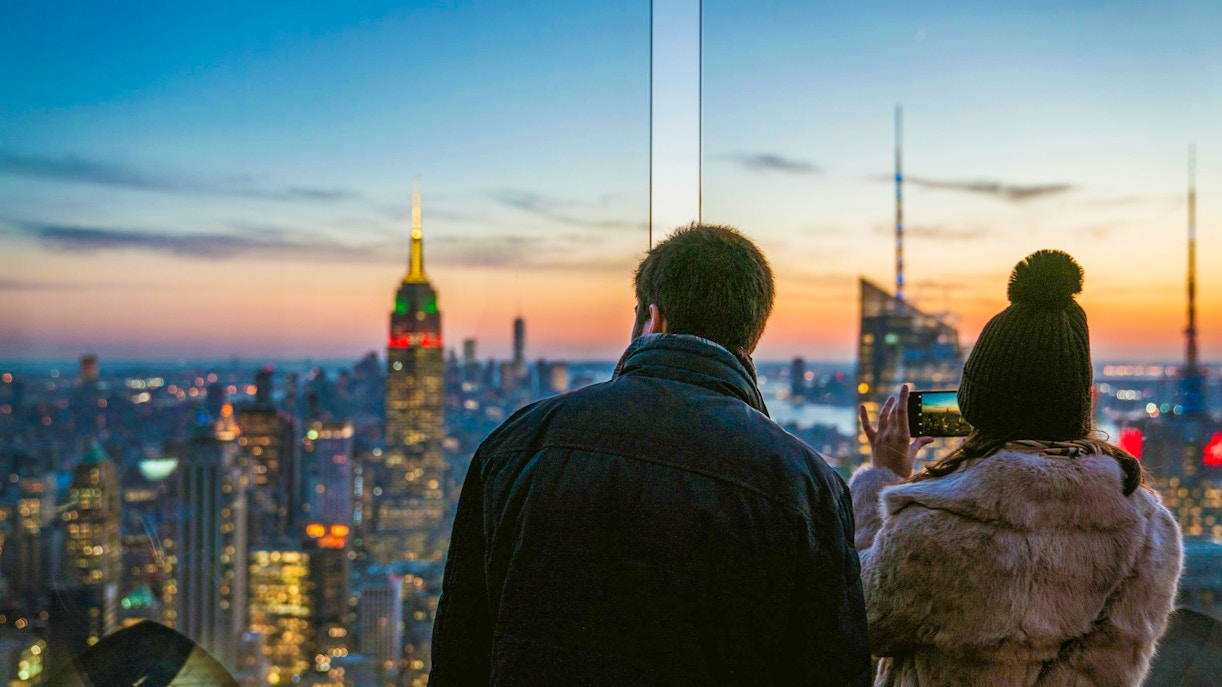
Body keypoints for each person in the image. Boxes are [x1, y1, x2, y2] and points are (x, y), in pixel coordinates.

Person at [431, 224, 871, 686]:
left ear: (653, 319)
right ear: (752, 337)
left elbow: (460, 653)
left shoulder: (517, 444)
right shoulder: (805, 487)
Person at [852, 250, 1183, 686]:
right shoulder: (1151, 530)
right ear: (1084, 398)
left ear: (975, 401)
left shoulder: (939, 526)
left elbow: (859, 618)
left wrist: (883, 480)